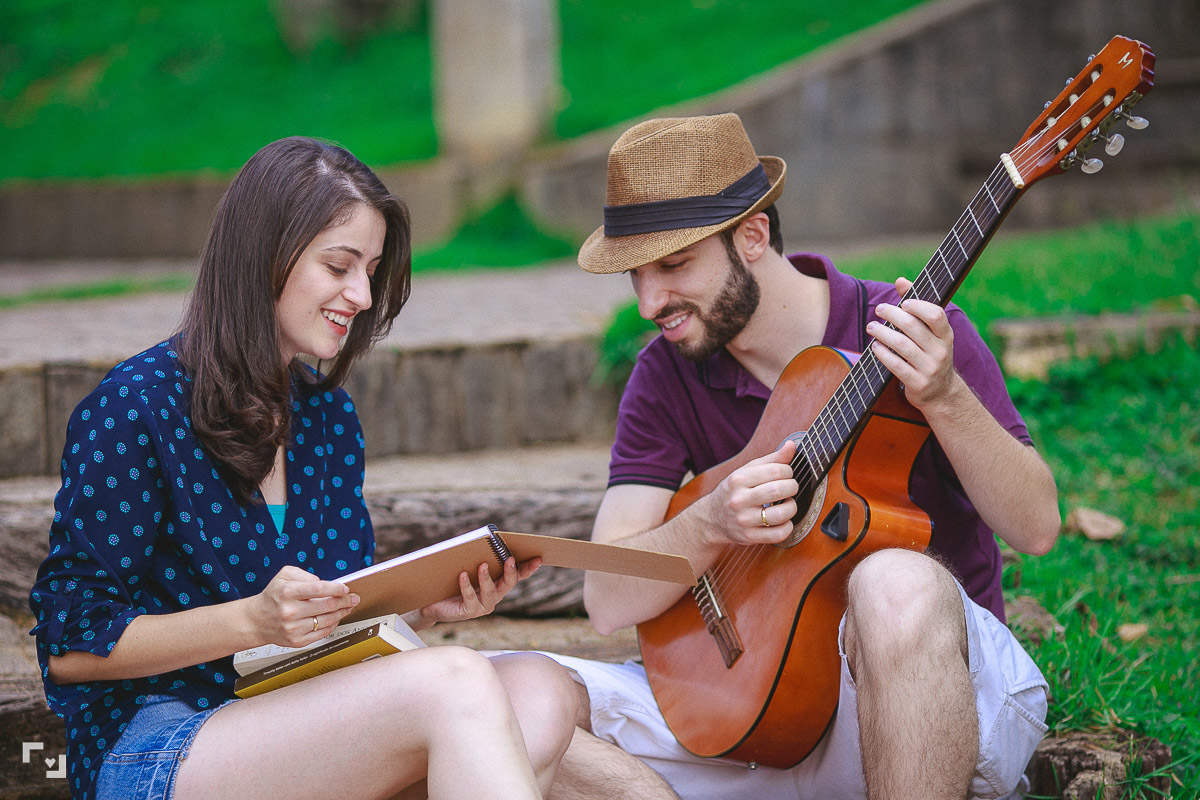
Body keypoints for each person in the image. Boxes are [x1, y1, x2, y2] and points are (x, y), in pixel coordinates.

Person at [28, 136, 580, 800]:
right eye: (340, 265)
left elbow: (326, 631)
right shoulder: (135, 406)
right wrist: (252, 621)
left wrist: (423, 610)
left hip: (290, 715)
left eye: (371, 270)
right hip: (157, 742)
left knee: (539, 690)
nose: (362, 295)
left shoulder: (327, 419)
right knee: (455, 684)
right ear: (265, 257)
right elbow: (70, 647)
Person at [543, 113, 1061, 800]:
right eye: (635, 275)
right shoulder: (665, 373)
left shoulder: (913, 333)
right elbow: (607, 599)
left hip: (932, 710)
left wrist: (944, 396)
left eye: (672, 266)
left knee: (893, 584)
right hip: (753, 715)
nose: (648, 303)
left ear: (752, 235)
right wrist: (710, 524)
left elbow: (1037, 527)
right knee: (516, 690)